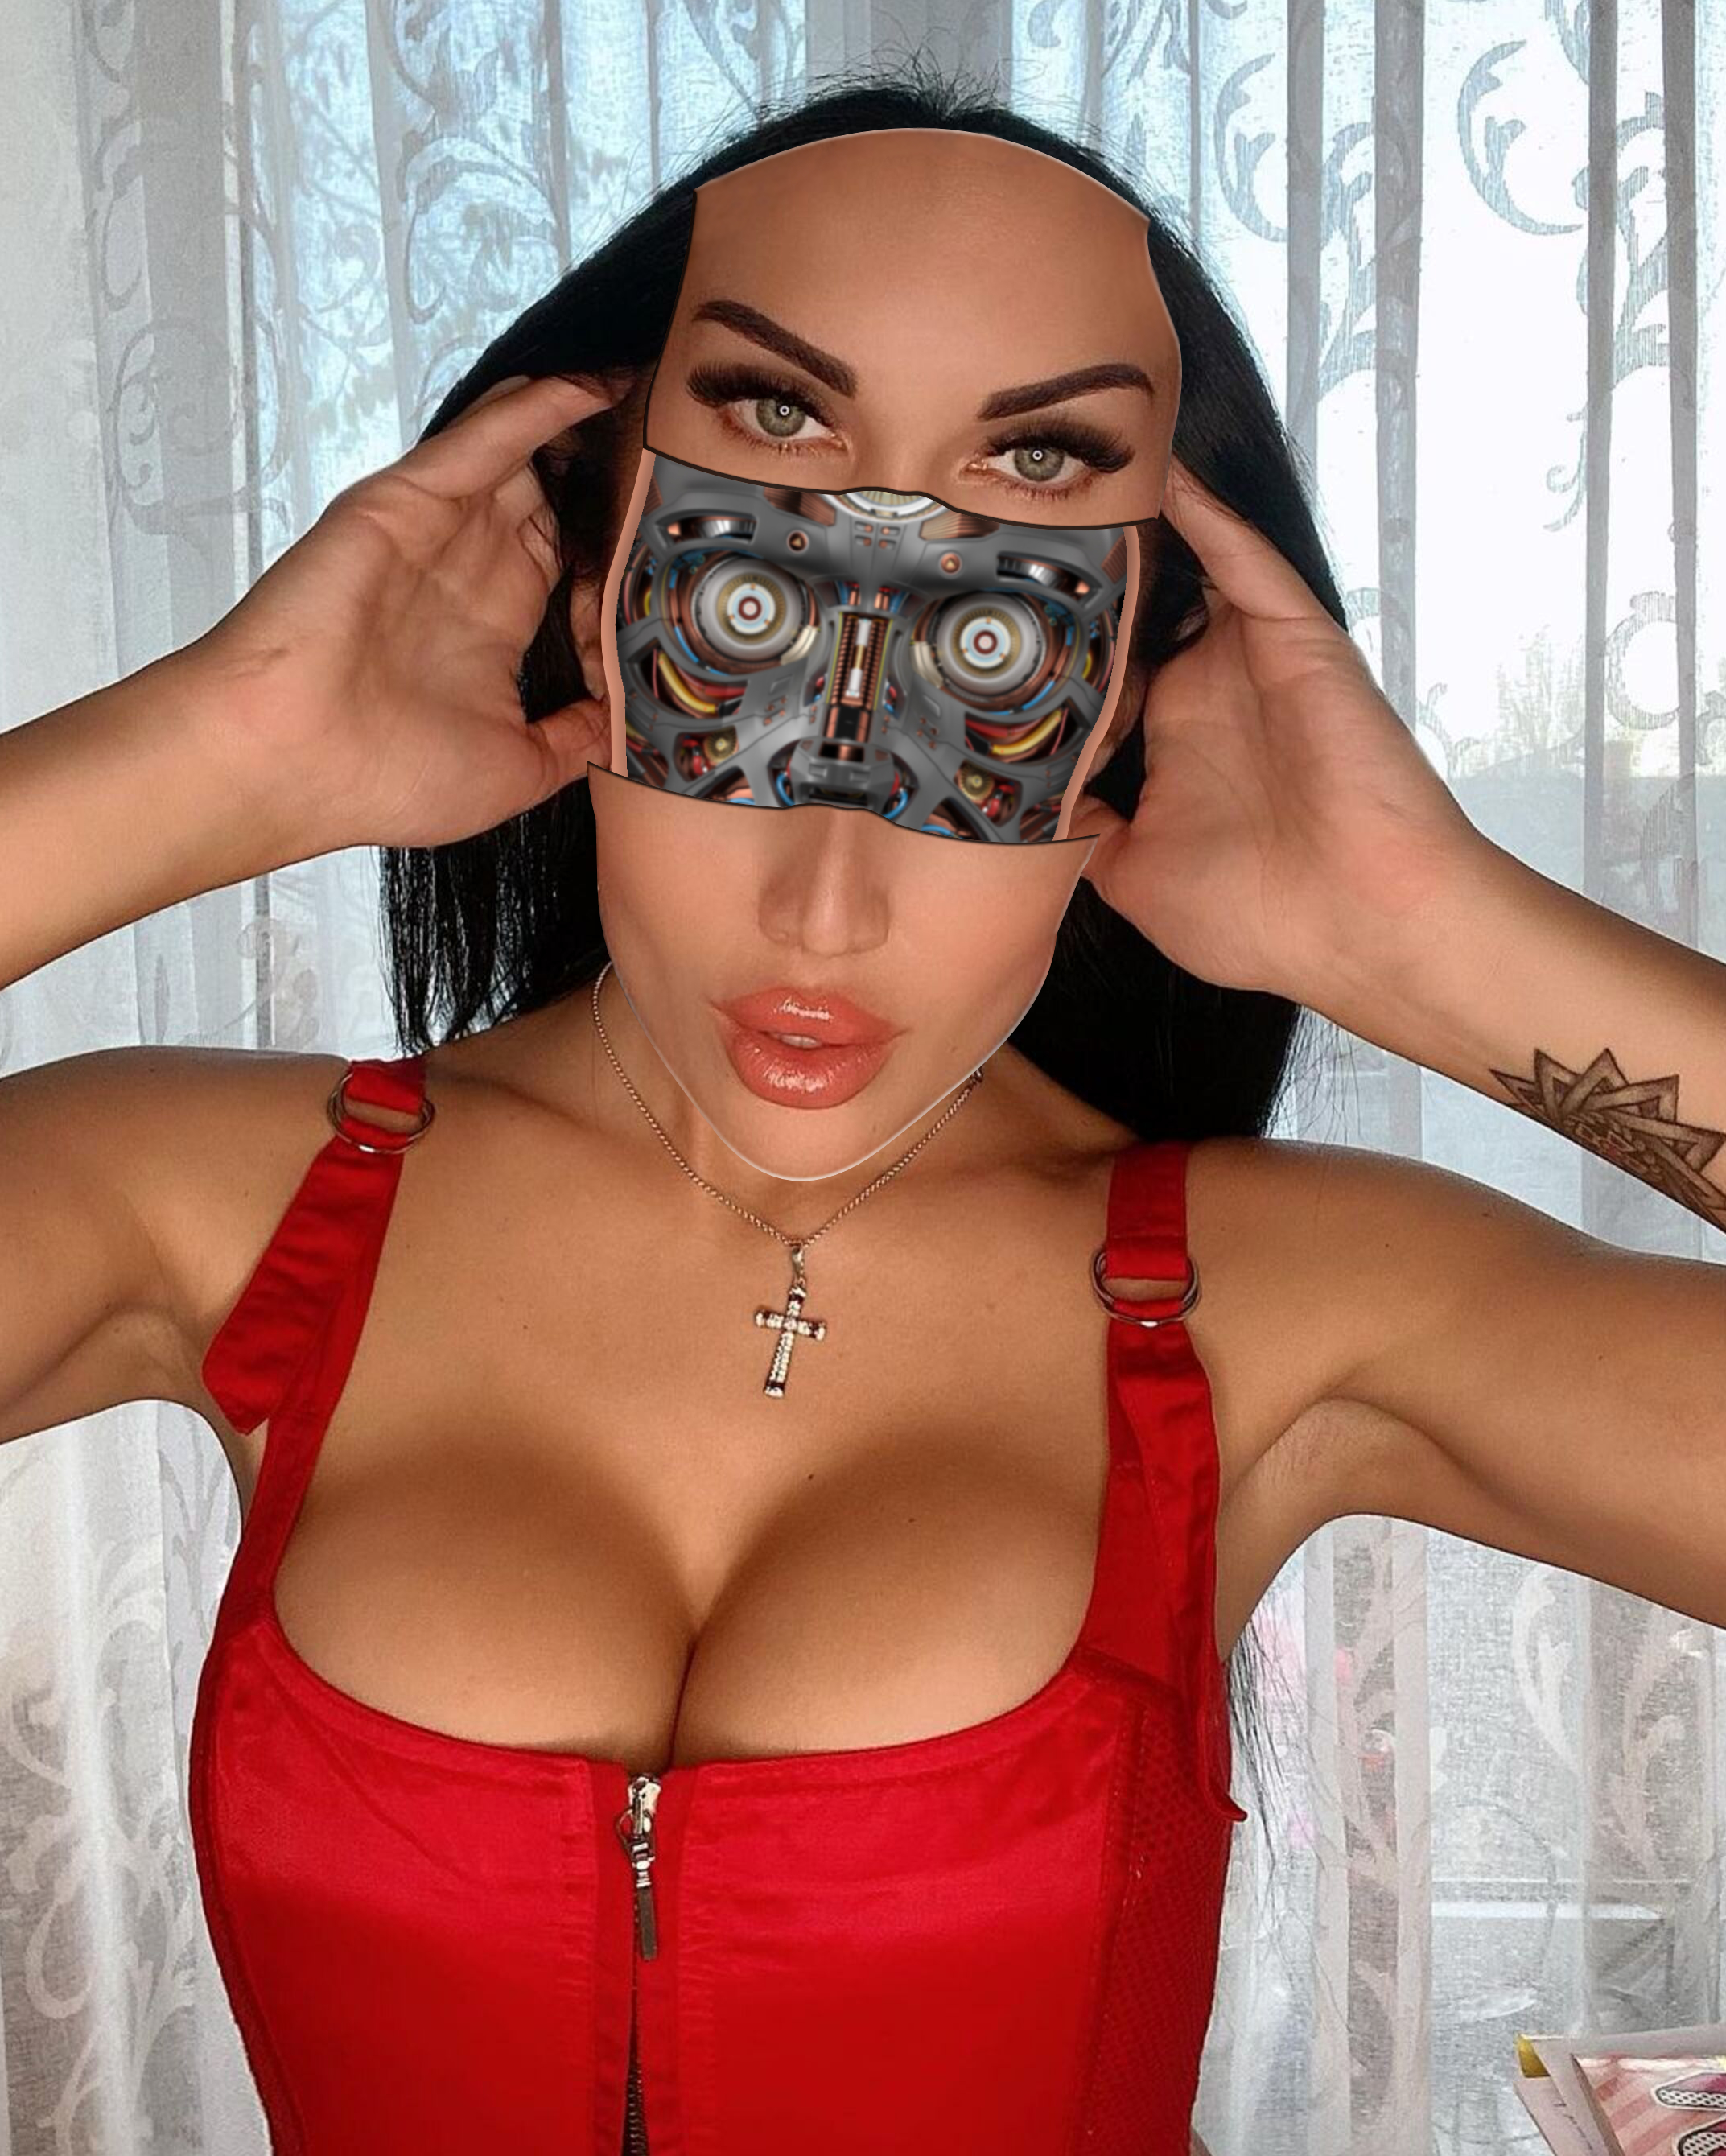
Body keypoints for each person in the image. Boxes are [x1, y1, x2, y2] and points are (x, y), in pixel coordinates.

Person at [3, 60, 1723, 2156]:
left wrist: (1431, 939)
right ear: (592, 603)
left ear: (1129, 706)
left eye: (985, 674)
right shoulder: (217, 1202)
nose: (826, 909)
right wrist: (210, 758)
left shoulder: (1271, 1301)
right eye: (746, 633)